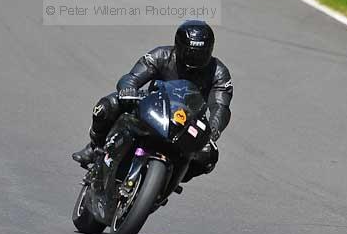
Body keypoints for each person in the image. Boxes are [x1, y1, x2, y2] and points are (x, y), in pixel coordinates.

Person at [72, 20, 233, 182]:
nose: (194, 59)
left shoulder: (219, 72)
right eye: (190, 52)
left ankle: (169, 180)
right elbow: (132, 77)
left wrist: (214, 128)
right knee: (107, 106)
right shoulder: (161, 55)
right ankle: (95, 147)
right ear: (178, 46)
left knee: (208, 155)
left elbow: (220, 105)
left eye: (201, 54)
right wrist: (128, 89)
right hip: (154, 108)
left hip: (187, 122)